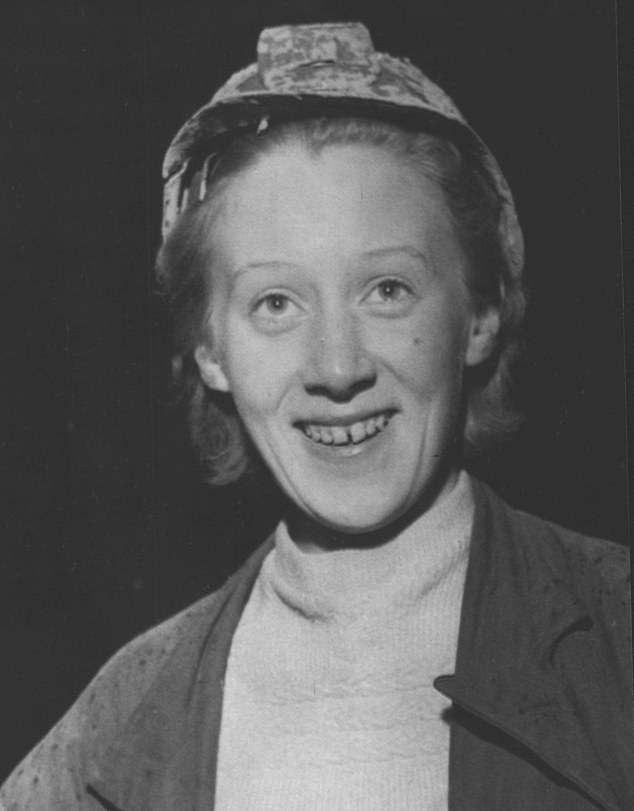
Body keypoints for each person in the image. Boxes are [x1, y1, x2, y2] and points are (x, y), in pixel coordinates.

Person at [1, 21, 632, 811]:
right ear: (211, 351)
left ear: (480, 314)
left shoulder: (614, 637)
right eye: (275, 303)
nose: (338, 367)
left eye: (387, 289)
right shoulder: (125, 720)